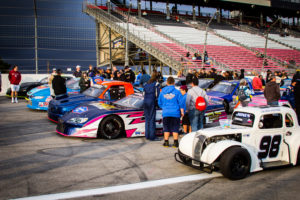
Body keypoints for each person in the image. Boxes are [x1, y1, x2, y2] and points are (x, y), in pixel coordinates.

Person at [158, 77, 184, 148]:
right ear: (174, 83)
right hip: (175, 113)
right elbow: (181, 103)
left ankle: (166, 142)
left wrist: (164, 107)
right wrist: (182, 111)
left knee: (166, 127)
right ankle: (175, 143)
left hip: (166, 112)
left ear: (166, 83)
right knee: (175, 128)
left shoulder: (162, 92)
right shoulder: (177, 92)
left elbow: (159, 102)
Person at [143, 72, 160, 141]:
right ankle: (152, 136)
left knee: (147, 119)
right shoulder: (156, 84)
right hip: (151, 101)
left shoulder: (146, 84)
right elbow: (157, 95)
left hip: (145, 101)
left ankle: (147, 135)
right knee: (152, 119)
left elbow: (143, 93)